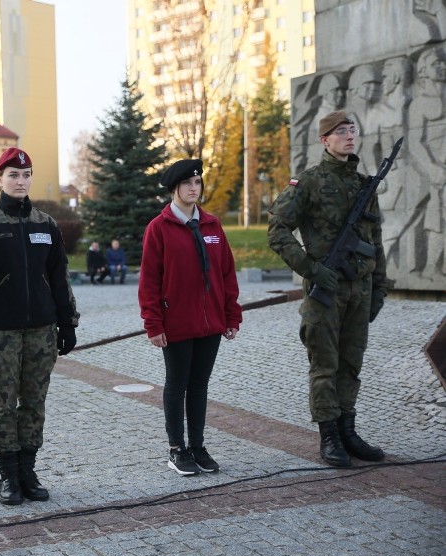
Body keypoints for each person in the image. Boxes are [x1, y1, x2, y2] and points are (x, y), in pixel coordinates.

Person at [268, 110, 390, 468]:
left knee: (350, 364)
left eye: (352, 130)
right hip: (326, 290)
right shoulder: (308, 183)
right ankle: (330, 436)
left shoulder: (364, 184)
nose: (349, 136)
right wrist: (312, 270)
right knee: (325, 364)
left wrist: (380, 286)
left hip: (360, 288)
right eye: (340, 132)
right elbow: (277, 230)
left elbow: (375, 239)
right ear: (325, 140)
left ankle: (348, 429)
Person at [0, 146, 80, 506]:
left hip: (42, 331)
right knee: (4, 403)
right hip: (1, 334)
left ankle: (28, 470)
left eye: (26, 175)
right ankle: (8, 475)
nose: (21, 181)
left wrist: (67, 321)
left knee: (34, 403)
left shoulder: (47, 225)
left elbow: (60, 278)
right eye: (13, 175)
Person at [138, 159, 242, 476]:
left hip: (210, 323)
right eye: (187, 184)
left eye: (197, 183)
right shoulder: (159, 228)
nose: (193, 189)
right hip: (176, 323)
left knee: (199, 386)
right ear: (175, 189)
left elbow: (226, 273)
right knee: (177, 384)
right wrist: (153, 323)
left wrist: (231, 314)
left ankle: (197, 446)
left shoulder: (211, 225)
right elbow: (149, 281)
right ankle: (176, 449)